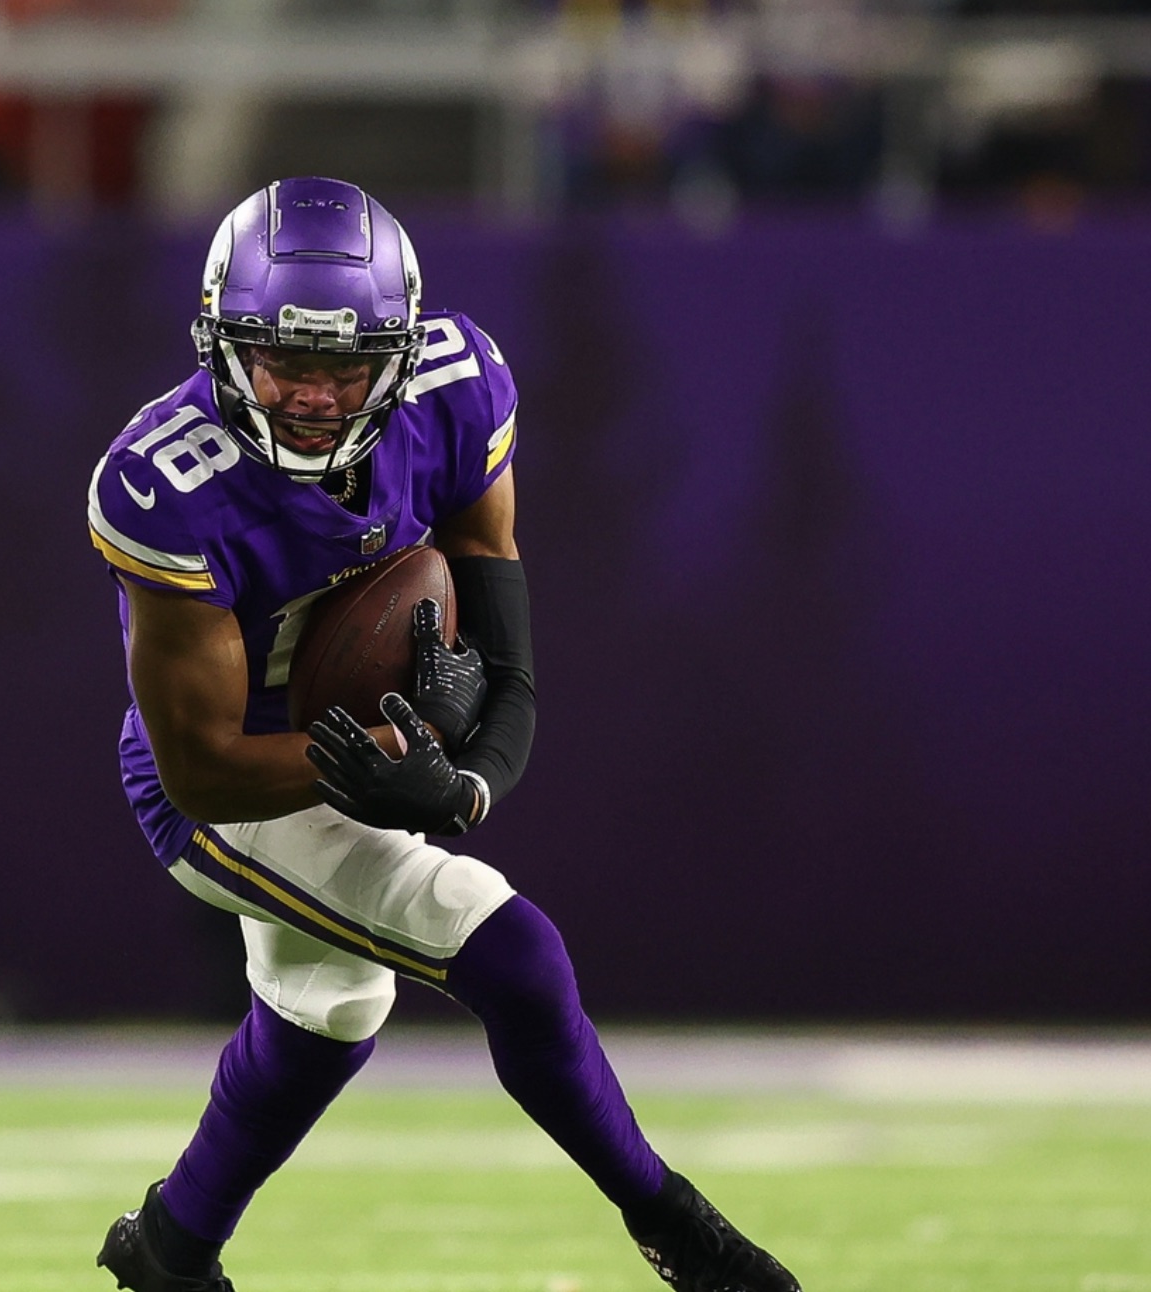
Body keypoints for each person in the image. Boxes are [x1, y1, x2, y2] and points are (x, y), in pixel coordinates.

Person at [86, 177, 798, 1292]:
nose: (314, 395)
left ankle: (171, 1248)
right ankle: (684, 1234)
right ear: (222, 345)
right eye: (283, 361)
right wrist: (391, 767)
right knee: (509, 947)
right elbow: (201, 762)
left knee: (329, 1007)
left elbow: (508, 668)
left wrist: (459, 780)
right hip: (217, 785)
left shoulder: (458, 389)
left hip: (365, 746)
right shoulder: (164, 481)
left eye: (344, 366)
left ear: (401, 354)